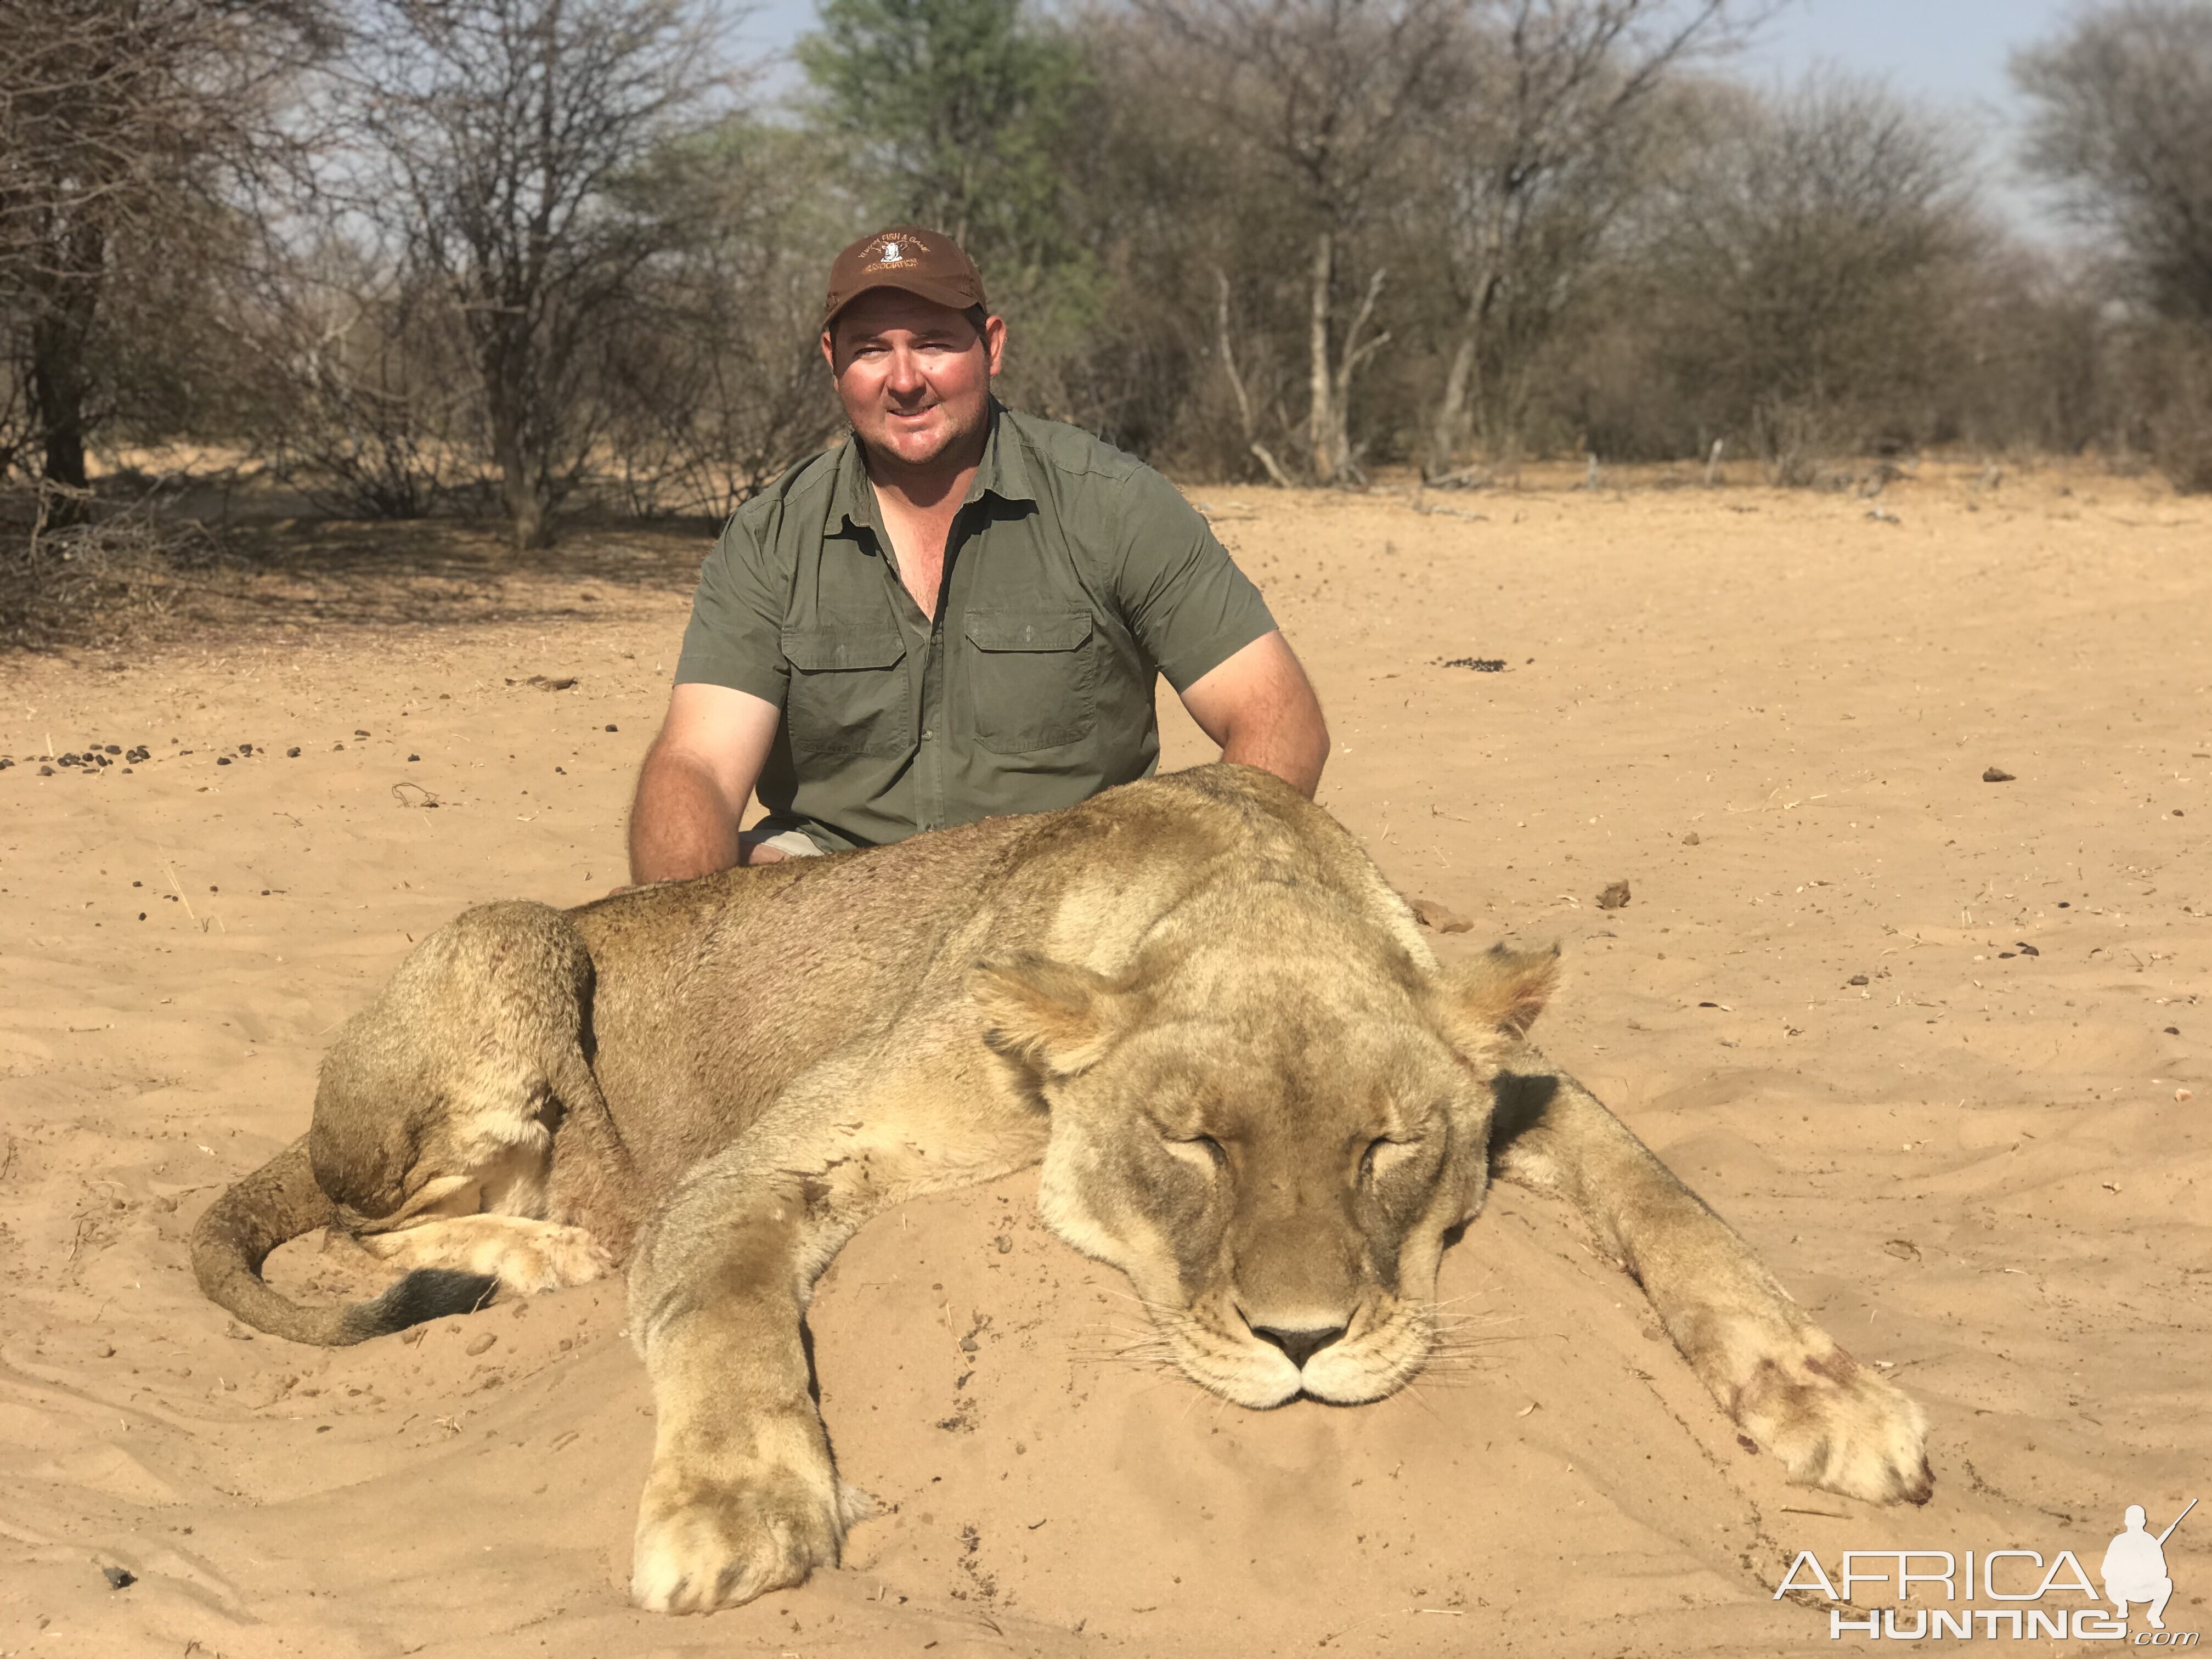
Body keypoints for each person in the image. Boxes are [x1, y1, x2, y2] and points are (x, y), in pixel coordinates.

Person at [627, 225, 1328, 883]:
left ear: (990, 346)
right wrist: (687, 931)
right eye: (871, 349)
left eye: (933, 343)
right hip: (836, 891)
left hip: (1062, 888)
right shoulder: (768, 536)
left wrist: (1192, 888)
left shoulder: (1115, 503)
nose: (904, 380)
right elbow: (699, 766)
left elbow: (1277, 719)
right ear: (833, 360)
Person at [2101, 1504, 2176, 1628]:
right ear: (2144, 1522)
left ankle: (2154, 1615)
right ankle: (2122, 1606)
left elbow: (2162, 1572)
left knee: (2167, 1583)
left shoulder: (2150, 1542)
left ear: (2126, 1522)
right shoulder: (2119, 1541)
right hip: (2124, 1590)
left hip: (2143, 1591)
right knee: (2110, 1582)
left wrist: (2145, 1572)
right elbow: (2106, 1571)